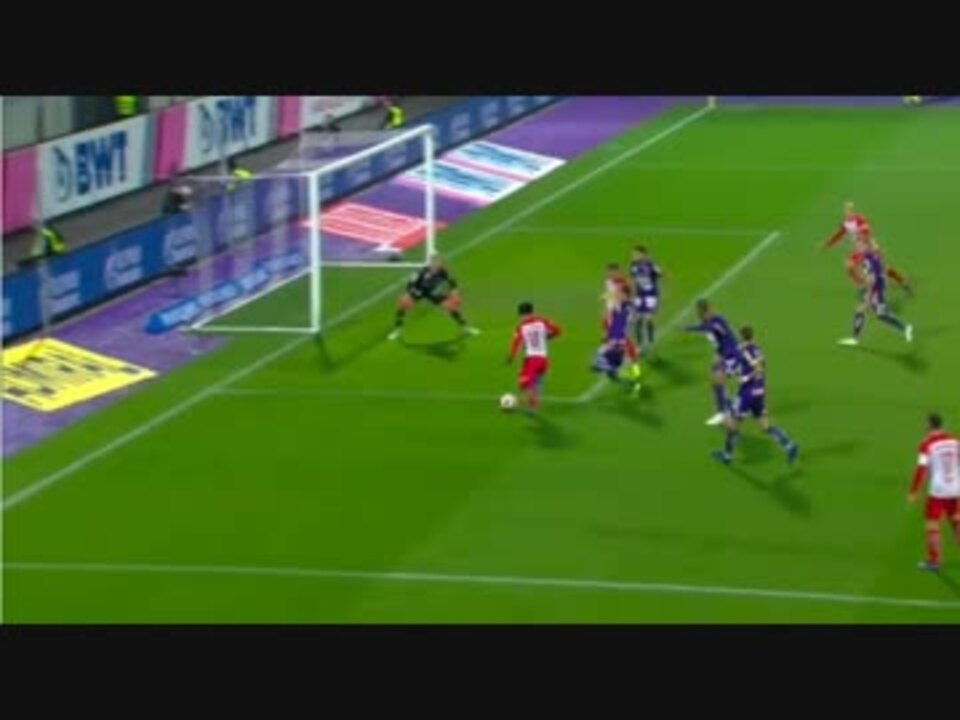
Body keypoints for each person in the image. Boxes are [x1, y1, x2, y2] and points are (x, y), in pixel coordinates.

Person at [711, 326, 799, 466]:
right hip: (759, 391)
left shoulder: (743, 351)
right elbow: (759, 367)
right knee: (765, 426)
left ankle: (727, 455)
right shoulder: (758, 349)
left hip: (747, 393)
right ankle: (789, 445)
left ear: (741, 336)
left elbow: (752, 368)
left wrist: (743, 377)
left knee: (731, 424)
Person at [822, 201, 911, 294]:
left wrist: (870, 246)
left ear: (853, 211)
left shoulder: (860, 219)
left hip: (869, 247)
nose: (848, 213)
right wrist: (828, 244)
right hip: (859, 249)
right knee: (849, 266)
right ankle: (863, 286)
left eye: (850, 210)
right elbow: (839, 234)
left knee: (883, 269)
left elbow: (867, 233)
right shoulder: (845, 223)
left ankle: (903, 281)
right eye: (846, 211)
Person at [909, 412, 960, 572]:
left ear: (930, 425)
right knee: (956, 521)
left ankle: (934, 561)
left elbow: (921, 469)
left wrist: (913, 491)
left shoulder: (926, 445)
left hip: (938, 491)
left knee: (933, 525)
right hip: (955, 488)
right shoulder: (955, 441)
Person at [389, 254, 479, 341]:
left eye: (439, 264)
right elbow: (410, 284)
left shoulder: (443, 272)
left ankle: (465, 327)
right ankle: (397, 330)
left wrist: (455, 293)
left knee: (451, 308)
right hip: (418, 290)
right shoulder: (421, 272)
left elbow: (452, 282)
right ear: (431, 264)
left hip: (432, 292)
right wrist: (408, 294)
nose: (437, 266)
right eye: (435, 264)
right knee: (403, 306)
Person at [837, 250, 913, 346]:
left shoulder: (866, 263)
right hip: (878, 286)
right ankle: (905, 328)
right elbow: (877, 273)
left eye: (849, 262)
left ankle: (905, 327)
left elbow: (870, 281)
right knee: (874, 313)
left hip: (876, 290)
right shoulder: (870, 258)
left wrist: (868, 300)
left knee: (873, 312)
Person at [685, 298, 740, 426]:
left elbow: (721, 334)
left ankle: (723, 412)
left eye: (699, 312)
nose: (698, 315)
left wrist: (722, 356)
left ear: (705, 311)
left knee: (717, 379)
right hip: (724, 355)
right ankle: (729, 405)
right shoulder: (706, 322)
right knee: (715, 380)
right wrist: (688, 328)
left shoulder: (718, 321)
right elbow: (706, 329)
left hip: (732, 356)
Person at [507, 301, 562, 414]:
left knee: (525, 383)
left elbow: (516, 343)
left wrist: (511, 357)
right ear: (532, 311)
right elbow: (558, 330)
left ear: (521, 314)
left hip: (531, 359)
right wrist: (548, 337)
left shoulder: (521, 327)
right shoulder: (543, 321)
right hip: (544, 359)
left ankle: (523, 405)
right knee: (536, 384)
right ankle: (533, 406)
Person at [591, 286, 641, 396]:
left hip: (622, 337)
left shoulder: (628, 307)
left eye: (620, 294)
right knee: (606, 357)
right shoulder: (621, 306)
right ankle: (613, 371)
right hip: (616, 336)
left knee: (631, 360)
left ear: (625, 295)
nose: (618, 296)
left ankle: (635, 380)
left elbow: (625, 322)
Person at [629, 244, 664, 352]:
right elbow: (633, 280)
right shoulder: (633, 266)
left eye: (636, 254)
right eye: (633, 254)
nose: (633, 256)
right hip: (639, 295)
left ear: (643, 254)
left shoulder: (651, 265)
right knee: (638, 319)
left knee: (649, 318)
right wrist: (632, 295)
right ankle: (639, 345)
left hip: (651, 295)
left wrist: (662, 292)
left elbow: (661, 275)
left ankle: (650, 341)